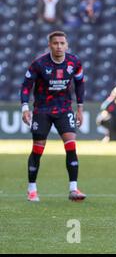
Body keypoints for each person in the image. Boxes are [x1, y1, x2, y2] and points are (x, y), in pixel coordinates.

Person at [20, 31, 86, 202]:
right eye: (55, 43)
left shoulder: (74, 63)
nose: (59, 46)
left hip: (64, 109)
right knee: (38, 149)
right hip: (42, 110)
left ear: (67, 45)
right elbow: (26, 86)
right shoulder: (39, 64)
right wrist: (25, 108)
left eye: (62, 43)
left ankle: (73, 189)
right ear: (49, 45)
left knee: (71, 145)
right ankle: (32, 189)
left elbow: (80, 85)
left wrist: (80, 108)